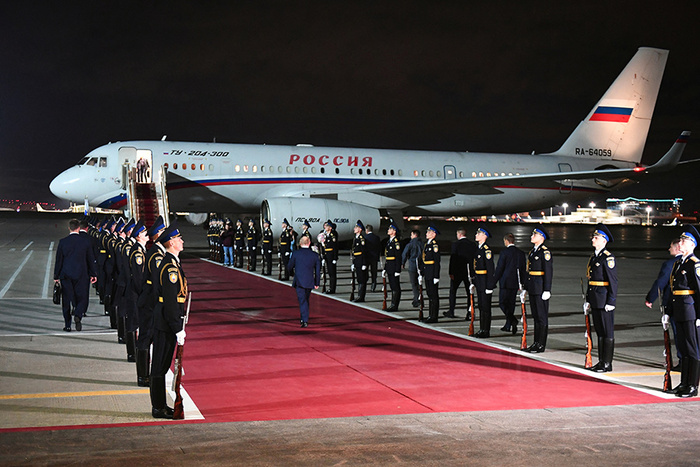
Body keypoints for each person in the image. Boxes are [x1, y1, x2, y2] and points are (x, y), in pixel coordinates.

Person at [150, 224, 188, 419]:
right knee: (159, 366)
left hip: (167, 319)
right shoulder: (169, 267)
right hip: (166, 321)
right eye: (179, 239)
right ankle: (158, 407)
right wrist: (177, 328)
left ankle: (160, 405)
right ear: (171, 242)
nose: (182, 241)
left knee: (162, 365)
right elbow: (171, 300)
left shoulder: (171, 262)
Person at [663, 226, 700, 397]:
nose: (680, 243)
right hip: (679, 310)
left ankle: (692, 386)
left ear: (692, 245)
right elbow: (673, 290)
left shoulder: (695, 264)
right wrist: (668, 312)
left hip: (690, 311)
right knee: (684, 349)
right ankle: (683, 383)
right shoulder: (679, 263)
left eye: (684, 241)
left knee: (692, 349)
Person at [136, 215, 166, 387]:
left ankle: (144, 374)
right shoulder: (156, 254)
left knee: (148, 337)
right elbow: (156, 283)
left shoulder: (157, 252)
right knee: (146, 337)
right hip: (149, 303)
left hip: (149, 302)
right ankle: (142, 376)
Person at [583, 224, 617, 371]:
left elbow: (613, 281)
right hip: (596, 299)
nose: (593, 239)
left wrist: (611, 300)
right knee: (599, 332)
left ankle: (607, 363)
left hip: (604, 300)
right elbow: (591, 281)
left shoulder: (607, 258)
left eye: (596, 237)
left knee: (606, 331)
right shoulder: (594, 257)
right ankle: (601, 361)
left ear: (604, 241)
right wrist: (588, 300)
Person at [54, 218, 97, 332]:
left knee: (66, 300)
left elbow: (59, 260)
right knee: (82, 298)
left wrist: (56, 276)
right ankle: (78, 314)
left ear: (69, 228)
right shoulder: (85, 242)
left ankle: (67, 325)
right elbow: (90, 259)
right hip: (82, 274)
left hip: (66, 274)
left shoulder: (63, 242)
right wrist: (93, 274)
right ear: (79, 228)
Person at [645, 238, 682, 368]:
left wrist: (650, 298)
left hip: (674, 305)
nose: (669, 249)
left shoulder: (670, 264)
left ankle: (682, 361)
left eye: (671, 247)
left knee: (679, 333)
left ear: (678, 248)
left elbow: (660, 283)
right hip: (689, 305)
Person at [524, 227, 553, 352]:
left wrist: (547, 289)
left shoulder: (544, 252)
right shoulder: (532, 252)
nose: (532, 236)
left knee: (542, 317)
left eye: (534, 234)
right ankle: (536, 342)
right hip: (533, 288)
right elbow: (529, 272)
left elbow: (548, 272)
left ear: (541, 237)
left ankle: (541, 344)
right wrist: (526, 288)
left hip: (541, 288)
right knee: (535, 317)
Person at [494, 233, 527, 334]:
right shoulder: (520, 253)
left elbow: (500, 268)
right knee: (511, 304)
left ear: (506, 241)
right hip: (515, 282)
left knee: (502, 303)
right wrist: (523, 283)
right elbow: (523, 270)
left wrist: (493, 281)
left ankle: (512, 320)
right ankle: (508, 325)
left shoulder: (504, 252)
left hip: (505, 281)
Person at [287, 235, 321, 327]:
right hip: (309, 281)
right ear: (309, 243)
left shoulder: (296, 254)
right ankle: (304, 317)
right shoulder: (314, 255)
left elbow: (289, 266)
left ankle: (304, 320)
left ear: (300, 243)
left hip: (299, 280)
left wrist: (291, 273)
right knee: (305, 299)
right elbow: (318, 271)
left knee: (303, 300)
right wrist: (317, 282)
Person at [445, 228, 477, 319]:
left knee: (453, 291)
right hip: (468, 272)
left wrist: (451, 272)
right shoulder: (472, 244)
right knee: (470, 293)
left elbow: (453, 259)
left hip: (458, 271)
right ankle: (470, 312)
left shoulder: (456, 244)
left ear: (459, 234)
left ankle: (451, 311)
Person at [472, 225, 496, 337]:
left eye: (478, 234)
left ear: (484, 236)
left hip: (485, 282)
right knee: (481, 306)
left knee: (486, 307)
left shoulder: (487, 250)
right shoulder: (479, 249)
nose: (476, 235)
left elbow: (491, 269)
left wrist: (490, 286)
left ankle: (486, 330)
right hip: (479, 281)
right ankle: (482, 329)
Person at [419, 224, 441, 323]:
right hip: (427, 272)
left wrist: (436, 276)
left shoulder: (434, 245)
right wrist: (421, 272)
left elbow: (437, 262)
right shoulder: (427, 244)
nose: (426, 234)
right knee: (429, 294)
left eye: (429, 232)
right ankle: (430, 315)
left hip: (432, 273)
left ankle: (434, 316)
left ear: (433, 234)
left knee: (433, 295)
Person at [402, 229, 423, 308]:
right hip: (421, 266)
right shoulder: (422, 243)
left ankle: (416, 298)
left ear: (415, 235)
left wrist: (402, 263)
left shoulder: (410, 244)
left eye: (411, 235)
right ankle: (420, 296)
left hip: (413, 265)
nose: (410, 236)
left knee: (414, 283)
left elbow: (405, 253)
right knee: (419, 283)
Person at [383, 222, 402, 311]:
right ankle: (392, 304)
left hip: (394, 267)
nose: (388, 230)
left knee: (395, 287)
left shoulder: (396, 243)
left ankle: (395, 305)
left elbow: (398, 257)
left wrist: (398, 270)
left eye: (390, 229)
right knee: (392, 286)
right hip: (390, 267)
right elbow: (387, 257)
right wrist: (385, 268)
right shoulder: (389, 242)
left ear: (394, 231)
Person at [351, 220, 368, 302]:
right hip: (357, 261)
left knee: (361, 279)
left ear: (360, 229)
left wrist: (364, 263)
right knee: (358, 279)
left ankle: (361, 296)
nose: (354, 229)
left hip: (361, 262)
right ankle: (359, 295)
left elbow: (364, 252)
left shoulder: (361, 239)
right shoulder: (356, 239)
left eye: (356, 227)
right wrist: (353, 263)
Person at [321, 220, 338, 293]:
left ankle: (332, 288)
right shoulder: (326, 236)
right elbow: (325, 248)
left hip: (331, 256)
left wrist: (335, 258)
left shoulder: (332, 236)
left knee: (332, 273)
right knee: (329, 272)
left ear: (330, 228)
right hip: (327, 256)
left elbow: (335, 247)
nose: (325, 227)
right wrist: (324, 257)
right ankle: (330, 288)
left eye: (327, 226)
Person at [364, 224, 381, 292]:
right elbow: (379, 247)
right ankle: (373, 284)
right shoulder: (376, 237)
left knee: (365, 270)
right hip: (374, 257)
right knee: (374, 272)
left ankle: (366, 279)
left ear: (367, 230)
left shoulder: (365, 238)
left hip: (367, 257)